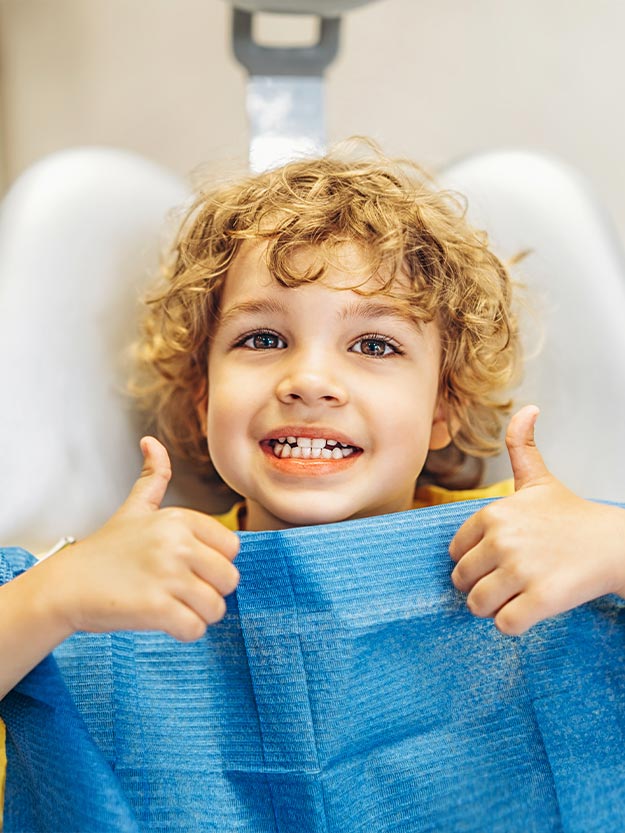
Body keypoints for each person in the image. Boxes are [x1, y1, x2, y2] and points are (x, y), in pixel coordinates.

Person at [1, 141, 625, 799]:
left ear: (443, 407)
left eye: (373, 344)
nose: (309, 380)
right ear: (204, 397)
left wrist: (612, 550)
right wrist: (52, 597)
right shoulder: (122, 573)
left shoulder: (528, 539)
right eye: (262, 339)